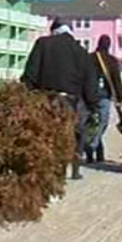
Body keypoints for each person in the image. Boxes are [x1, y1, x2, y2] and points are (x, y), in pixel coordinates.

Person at [22, 18, 99, 181]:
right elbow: (90, 82)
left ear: (54, 30)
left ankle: (41, 171)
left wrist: (26, 94)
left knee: (43, 136)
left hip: (45, 99)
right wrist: (93, 105)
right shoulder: (81, 51)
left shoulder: (43, 43)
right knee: (74, 136)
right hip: (70, 101)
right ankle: (73, 170)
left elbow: (30, 74)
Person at [86, 34, 122, 164]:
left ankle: (96, 152)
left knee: (91, 124)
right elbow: (116, 80)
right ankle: (92, 146)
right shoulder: (111, 60)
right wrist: (120, 97)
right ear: (108, 45)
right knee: (102, 124)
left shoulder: (89, 58)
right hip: (104, 96)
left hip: (88, 96)